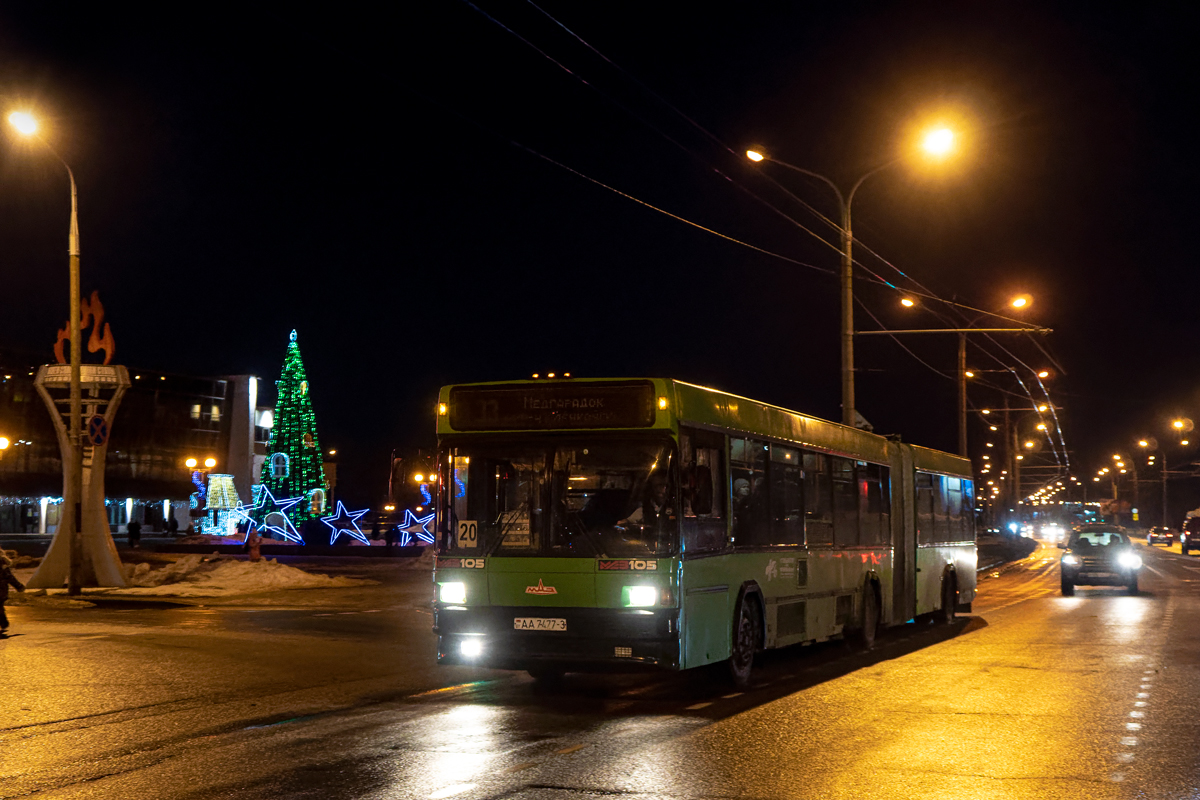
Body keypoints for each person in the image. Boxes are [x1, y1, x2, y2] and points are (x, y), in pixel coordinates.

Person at [1, 552, 26, 634]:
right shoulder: (3, 563)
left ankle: (3, 622)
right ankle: (3, 622)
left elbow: (8, 576)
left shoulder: (2, 563)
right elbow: (9, 576)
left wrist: (18, 586)